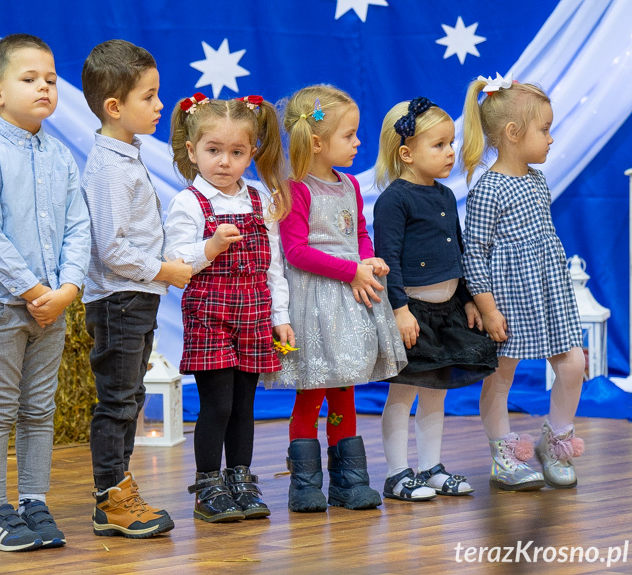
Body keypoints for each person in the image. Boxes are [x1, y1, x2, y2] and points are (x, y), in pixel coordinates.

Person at [0, 33, 91, 551]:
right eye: (29, 78)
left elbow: (78, 226)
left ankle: (34, 501)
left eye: (51, 80)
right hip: (2, 305)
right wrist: (34, 288)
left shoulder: (61, 157)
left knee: (40, 410)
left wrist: (68, 288)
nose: (43, 87)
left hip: (52, 308)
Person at [264, 84, 407, 513]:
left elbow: (359, 232)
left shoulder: (350, 186)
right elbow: (297, 253)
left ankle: (349, 480)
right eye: (350, 135)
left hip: (351, 301)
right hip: (316, 303)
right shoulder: (295, 190)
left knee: (345, 384)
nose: (358, 142)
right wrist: (351, 270)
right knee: (312, 389)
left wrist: (369, 258)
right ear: (318, 141)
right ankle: (305, 484)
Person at [165, 93, 293, 522]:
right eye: (213, 151)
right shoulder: (189, 202)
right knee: (217, 405)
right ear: (192, 151)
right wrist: (211, 246)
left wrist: (281, 318)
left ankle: (241, 479)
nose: (224, 162)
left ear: (251, 152)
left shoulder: (258, 199)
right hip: (210, 315)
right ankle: (208, 485)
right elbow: (177, 261)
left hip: (254, 314)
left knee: (243, 406)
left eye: (236, 152)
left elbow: (274, 266)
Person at [80, 39, 189, 538]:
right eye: (149, 96)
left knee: (130, 398)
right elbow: (111, 248)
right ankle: (111, 498)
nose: (160, 105)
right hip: (119, 300)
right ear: (114, 107)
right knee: (118, 402)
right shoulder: (106, 168)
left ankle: (119, 492)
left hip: (135, 299)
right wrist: (164, 271)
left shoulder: (128, 155)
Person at [461, 74, 585, 491]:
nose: (551, 139)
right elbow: (474, 253)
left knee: (574, 364)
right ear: (513, 134)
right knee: (500, 375)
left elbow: (543, 241)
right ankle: (503, 453)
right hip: (510, 299)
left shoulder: (537, 179)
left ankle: (557, 438)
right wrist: (488, 308)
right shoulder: (488, 188)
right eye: (545, 130)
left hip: (549, 292)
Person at [373, 97, 498, 502]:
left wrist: (466, 299)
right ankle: (396, 473)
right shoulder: (394, 200)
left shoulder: (445, 196)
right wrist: (400, 310)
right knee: (404, 392)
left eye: (451, 143)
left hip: (445, 312)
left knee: (435, 393)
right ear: (406, 154)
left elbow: (455, 252)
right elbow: (387, 259)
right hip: (413, 314)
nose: (450, 153)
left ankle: (430, 466)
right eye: (439, 145)